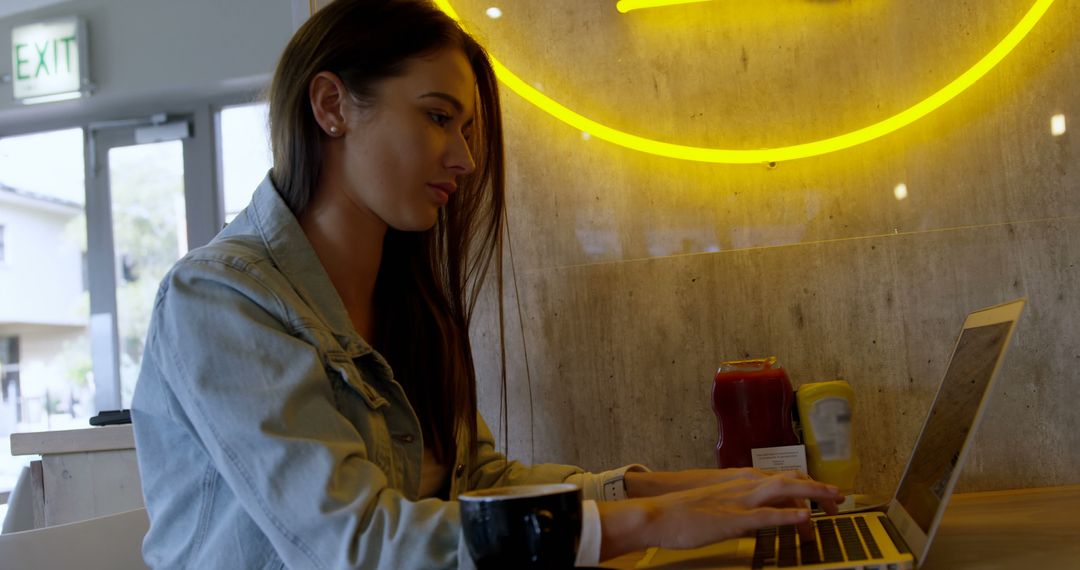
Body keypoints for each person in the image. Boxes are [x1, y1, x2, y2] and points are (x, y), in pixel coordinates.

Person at [130, 0, 843, 568]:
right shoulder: (220, 300)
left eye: (466, 129)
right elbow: (356, 547)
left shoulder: (405, 303)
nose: (467, 158)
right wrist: (649, 523)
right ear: (331, 106)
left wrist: (672, 488)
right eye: (439, 117)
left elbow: (484, 489)